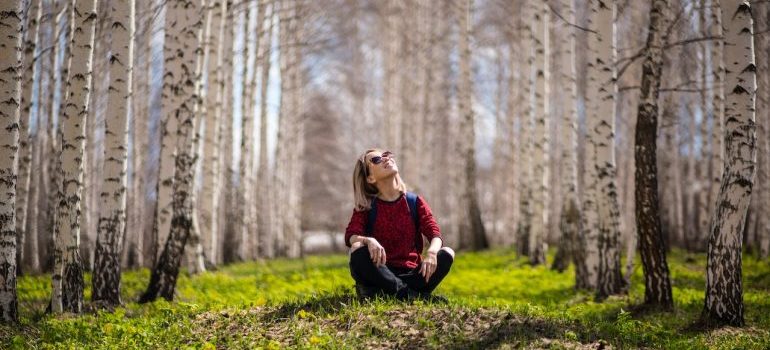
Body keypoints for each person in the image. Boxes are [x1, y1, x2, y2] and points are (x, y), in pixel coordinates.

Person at [345, 148, 455, 301]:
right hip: (380, 272)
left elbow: (434, 233)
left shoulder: (414, 202)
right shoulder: (366, 207)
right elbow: (351, 236)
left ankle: (392, 293)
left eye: (386, 155)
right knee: (357, 248)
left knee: (447, 252)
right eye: (376, 160)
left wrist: (431, 253)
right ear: (370, 178)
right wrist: (368, 240)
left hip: (412, 274)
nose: (385, 158)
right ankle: (413, 296)